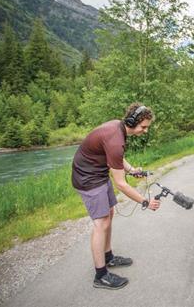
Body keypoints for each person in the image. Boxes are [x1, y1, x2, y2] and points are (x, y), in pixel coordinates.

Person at [71, 103, 160, 290]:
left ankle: (108, 257)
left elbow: (116, 158)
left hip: (99, 174)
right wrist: (145, 201)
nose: (145, 131)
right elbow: (121, 184)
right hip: (88, 179)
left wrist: (131, 170)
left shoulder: (118, 129)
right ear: (131, 121)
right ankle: (100, 275)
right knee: (101, 222)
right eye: (143, 127)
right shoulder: (115, 138)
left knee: (109, 213)